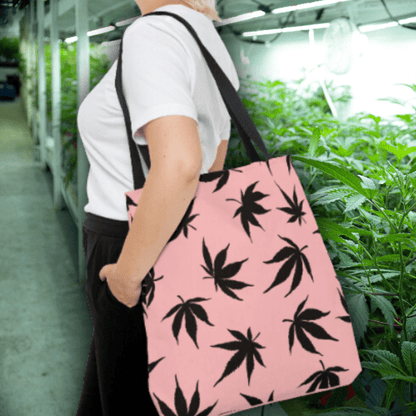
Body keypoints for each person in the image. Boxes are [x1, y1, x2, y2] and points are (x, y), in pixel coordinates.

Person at [76, 0, 240, 414]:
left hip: (131, 244)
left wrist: (128, 277)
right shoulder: (206, 37)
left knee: (130, 398)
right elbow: (212, 166)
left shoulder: (153, 35)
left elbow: (183, 165)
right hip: (172, 236)